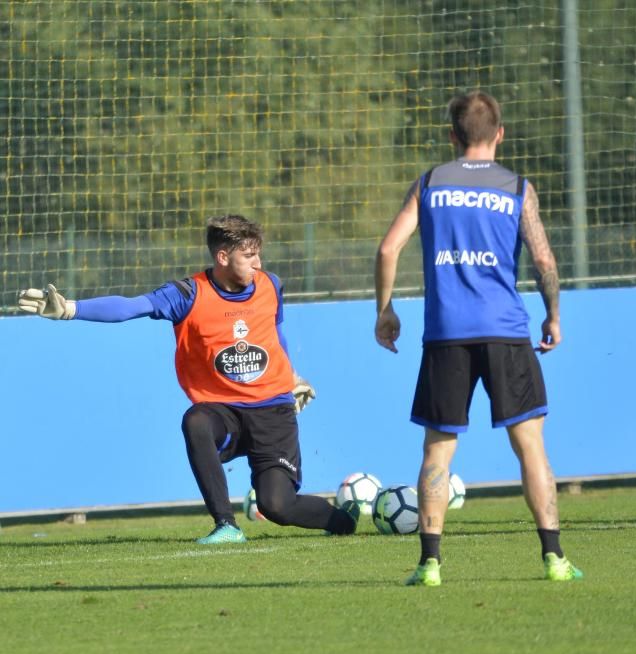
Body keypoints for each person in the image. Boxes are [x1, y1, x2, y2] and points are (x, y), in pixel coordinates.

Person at [17, 214, 360, 543]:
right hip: (225, 413)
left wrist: (291, 376)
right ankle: (226, 526)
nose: (258, 264)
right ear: (222, 256)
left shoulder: (270, 284)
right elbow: (131, 307)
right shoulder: (187, 294)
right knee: (196, 420)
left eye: (259, 255)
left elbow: (275, 334)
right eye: (249, 256)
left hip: (273, 410)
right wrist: (70, 309)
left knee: (277, 506)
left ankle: (344, 521)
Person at [374, 91, 582, 585]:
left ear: (452, 136)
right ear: (500, 134)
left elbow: (387, 249)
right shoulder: (517, 188)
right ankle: (553, 557)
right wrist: (553, 314)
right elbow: (545, 261)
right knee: (530, 444)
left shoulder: (429, 185)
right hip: (506, 330)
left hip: (446, 333)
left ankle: (429, 564)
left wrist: (385, 311)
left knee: (438, 449)